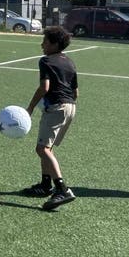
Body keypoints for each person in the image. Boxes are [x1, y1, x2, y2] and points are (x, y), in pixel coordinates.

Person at [23, 26, 79, 211]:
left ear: (54, 44)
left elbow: (44, 88)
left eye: (45, 41)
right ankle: (45, 185)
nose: (42, 45)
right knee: (47, 147)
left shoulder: (46, 61)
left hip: (57, 107)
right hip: (70, 107)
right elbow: (75, 91)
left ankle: (62, 188)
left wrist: (30, 107)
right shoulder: (70, 62)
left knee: (42, 149)